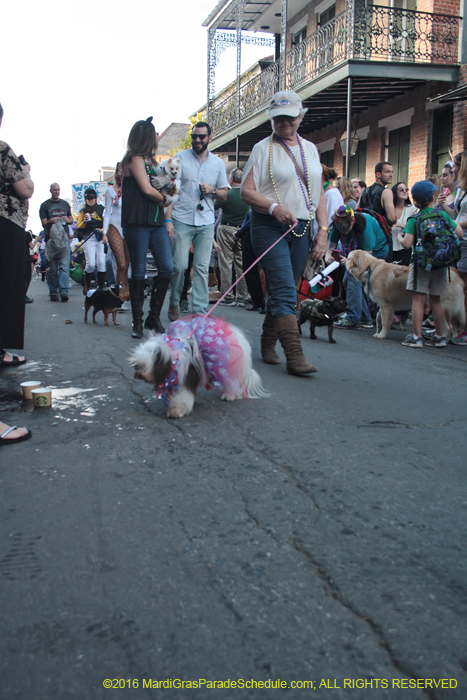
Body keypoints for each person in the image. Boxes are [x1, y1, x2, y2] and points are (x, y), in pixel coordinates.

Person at [241, 90, 328, 376]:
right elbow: (246, 192)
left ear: (300, 117)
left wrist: (323, 231)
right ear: (272, 119)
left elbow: (319, 195)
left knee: (285, 288)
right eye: (278, 118)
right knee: (283, 289)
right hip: (269, 225)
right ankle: (295, 355)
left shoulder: (311, 149)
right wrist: (274, 207)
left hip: (302, 227)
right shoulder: (262, 148)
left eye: (290, 118)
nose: (284, 123)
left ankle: (267, 341)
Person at [165, 121, 229, 320]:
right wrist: (168, 219)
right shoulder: (180, 159)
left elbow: (224, 195)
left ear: (209, 138)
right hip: (182, 218)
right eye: (195, 137)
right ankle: (175, 301)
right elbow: (171, 189)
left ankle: (199, 312)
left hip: (206, 221)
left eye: (202, 137)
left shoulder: (218, 164)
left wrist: (212, 190)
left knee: (201, 267)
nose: (198, 140)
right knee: (180, 266)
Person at [121, 117, 173, 338]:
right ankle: (137, 322)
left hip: (156, 221)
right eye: (154, 133)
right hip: (138, 221)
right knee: (139, 271)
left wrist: (168, 196)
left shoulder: (151, 161)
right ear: (146, 136)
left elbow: (169, 186)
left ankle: (153, 317)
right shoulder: (134, 158)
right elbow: (145, 188)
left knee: (167, 268)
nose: (157, 137)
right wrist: (164, 199)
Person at [0, 101, 33, 444]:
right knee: (4, 294)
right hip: (3, 225)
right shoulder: (2, 151)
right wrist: (26, 170)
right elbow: (25, 187)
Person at [397, 180, 463, 348]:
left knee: (418, 300)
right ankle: (440, 336)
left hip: (421, 264)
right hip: (441, 264)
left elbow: (407, 243)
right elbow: (460, 233)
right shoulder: (442, 215)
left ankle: (417, 337)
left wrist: (400, 237)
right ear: (433, 197)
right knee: (436, 300)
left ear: (415, 200)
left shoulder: (415, 219)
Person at [330, 205, 389, 330]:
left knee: (353, 278)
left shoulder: (365, 228)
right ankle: (364, 317)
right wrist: (327, 254)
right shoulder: (338, 223)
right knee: (346, 280)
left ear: (353, 221)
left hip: (375, 252)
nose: (343, 231)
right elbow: (330, 246)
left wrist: (349, 261)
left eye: (346, 229)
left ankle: (353, 317)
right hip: (354, 253)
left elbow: (366, 257)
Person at [214, 168, 250, 306]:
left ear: (231, 179)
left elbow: (215, 205)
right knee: (241, 264)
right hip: (242, 230)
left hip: (226, 228)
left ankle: (228, 295)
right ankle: (242, 296)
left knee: (226, 262)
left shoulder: (228, 195)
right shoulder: (247, 195)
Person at [39, 183, 73, 301]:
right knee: (53, 268)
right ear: (50, 191)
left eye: (58, 190)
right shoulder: (45, 205)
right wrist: (51, 221)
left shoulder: (65, 204)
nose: (57, 192)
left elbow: (71, 218)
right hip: (51, 240)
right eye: (54, 190)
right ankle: (53, 291)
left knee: (64, 267)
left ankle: (64, 291)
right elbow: (44, 223)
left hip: (64, 240)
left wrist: (69, 220)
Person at [103, 163, 129, 301]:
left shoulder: (130, 189)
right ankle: (121, 295)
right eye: (119, 171)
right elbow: (107, 213)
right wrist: (104, 232)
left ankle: (125, 292)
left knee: (127, 265)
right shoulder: (110, 191)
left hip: (128, 227)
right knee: (121, 264)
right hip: (114, 226)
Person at [449, 152, 467, 344]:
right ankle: (457, 327)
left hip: (465, 239)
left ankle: (463, 329)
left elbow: (460, 219)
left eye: (454, 166)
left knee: (464, 287)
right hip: (458, 240)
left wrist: (457, 225)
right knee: (458, 285)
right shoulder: (460, 189)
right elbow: (456, 213)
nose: (452, 169)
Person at [77, 188, 106, 292]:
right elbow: (79, 226)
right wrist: (84, 222)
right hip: (88, 238)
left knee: (101, 263)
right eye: (88, 199)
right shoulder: (83, 211)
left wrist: (102, 231)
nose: (90, 200)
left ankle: (101, 287)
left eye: (92, 198)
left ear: (96, 198)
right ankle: (87, 286)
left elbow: (106, 223)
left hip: (100, 238)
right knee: (91, 264)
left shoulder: (102, 209)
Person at [391, 182, 418, 265]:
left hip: (404, 247)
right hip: (390, 247)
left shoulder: (412, 209)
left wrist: (400, 225)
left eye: (406, 189)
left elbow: (413, 228)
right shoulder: (390, 208)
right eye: (401, 189)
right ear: (395, 192)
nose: (404, 191)